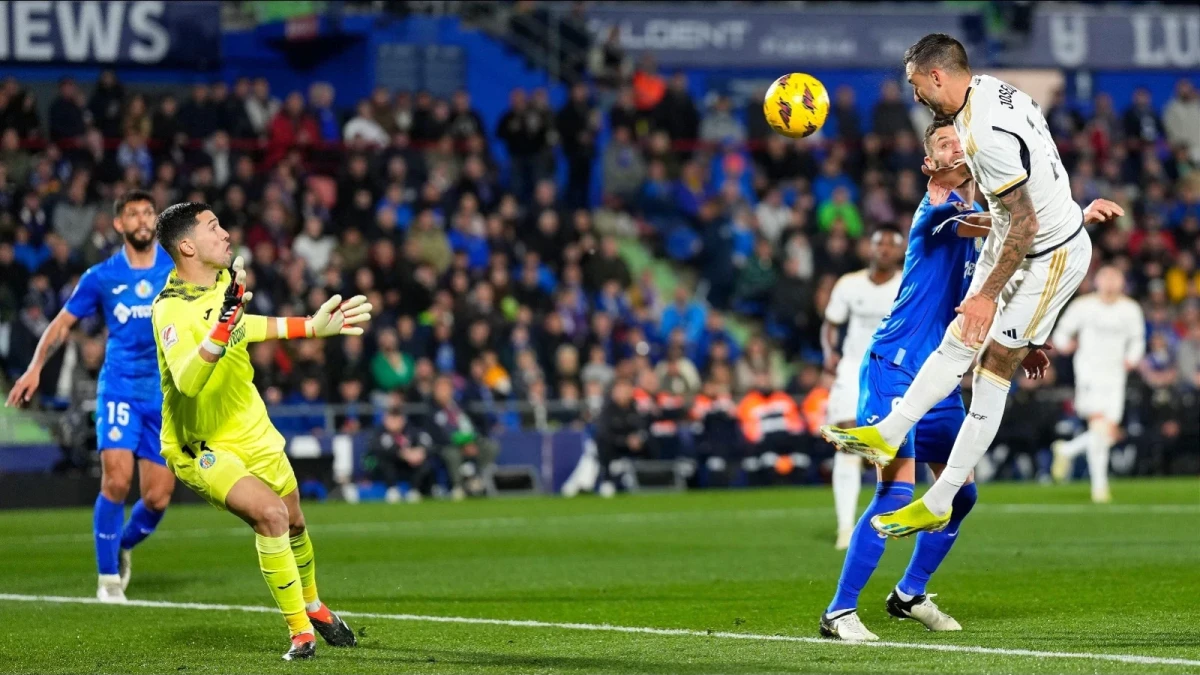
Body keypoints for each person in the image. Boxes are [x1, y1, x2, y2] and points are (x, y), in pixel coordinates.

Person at [819, 118, 1123, 642]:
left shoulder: (987, 225)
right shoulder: (937, 213)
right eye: (941, 143)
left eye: (958, 138)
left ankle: (909, 594)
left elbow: (993, 290)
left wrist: (1023, 342)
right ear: (929, 164)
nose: (954, 145)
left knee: (961, 493)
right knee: (896, 491)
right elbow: (1009, 230)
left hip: (939, 378)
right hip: (894, 369)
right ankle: (840, 612)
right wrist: (1071, 222)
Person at [822, 33, 1122, 542]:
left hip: (1046, 255)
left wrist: (993, 297)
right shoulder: (989, 91)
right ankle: (889, 432)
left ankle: (939, 500)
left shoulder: (982, 131)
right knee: (960, 338)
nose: (916, 96)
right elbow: (1035, 172)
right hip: (1019, 238)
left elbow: (1025, 221)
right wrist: (1071, 209)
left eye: (917, 86)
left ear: (937, 76)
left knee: (992, 366)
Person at [149, 202, 370, 660]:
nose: (226, 233)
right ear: (187, 245)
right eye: (213, 227)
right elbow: (188, 381)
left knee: (294, 521)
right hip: (201, 444)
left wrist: (309, 327)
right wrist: (222, 326)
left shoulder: (225, 284)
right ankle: (300, 634)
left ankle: (313, 604)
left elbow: (242, 328)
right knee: (269, 515)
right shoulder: (169, 310)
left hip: (253, 428)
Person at [6, 190, 176, 604]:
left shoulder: (177, 269)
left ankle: (122, 542)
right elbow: (62, 324)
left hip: (166, 393)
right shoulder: (101, 276)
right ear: (118, 224)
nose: (142, 220)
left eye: (148, 212)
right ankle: (108, 579)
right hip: (118, 386)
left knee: (157, 498)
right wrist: (34, 368)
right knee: (116, 480)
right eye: (133, 214)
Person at [1050, 266, 1145, 502]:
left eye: (1116, 278)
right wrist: (1065, 345)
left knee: (1109, 432)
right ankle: (1099, 488)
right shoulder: (1083, 306)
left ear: (1123, 282)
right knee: (1100, 427)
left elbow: (1137, 339)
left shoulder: (1130, 309)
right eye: (1106, 278)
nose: (1111, 283)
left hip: (1116, 375)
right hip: (1089, 374)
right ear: (1097, 281)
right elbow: (1061, 334)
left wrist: (1132, 359)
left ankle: (1067, 450)